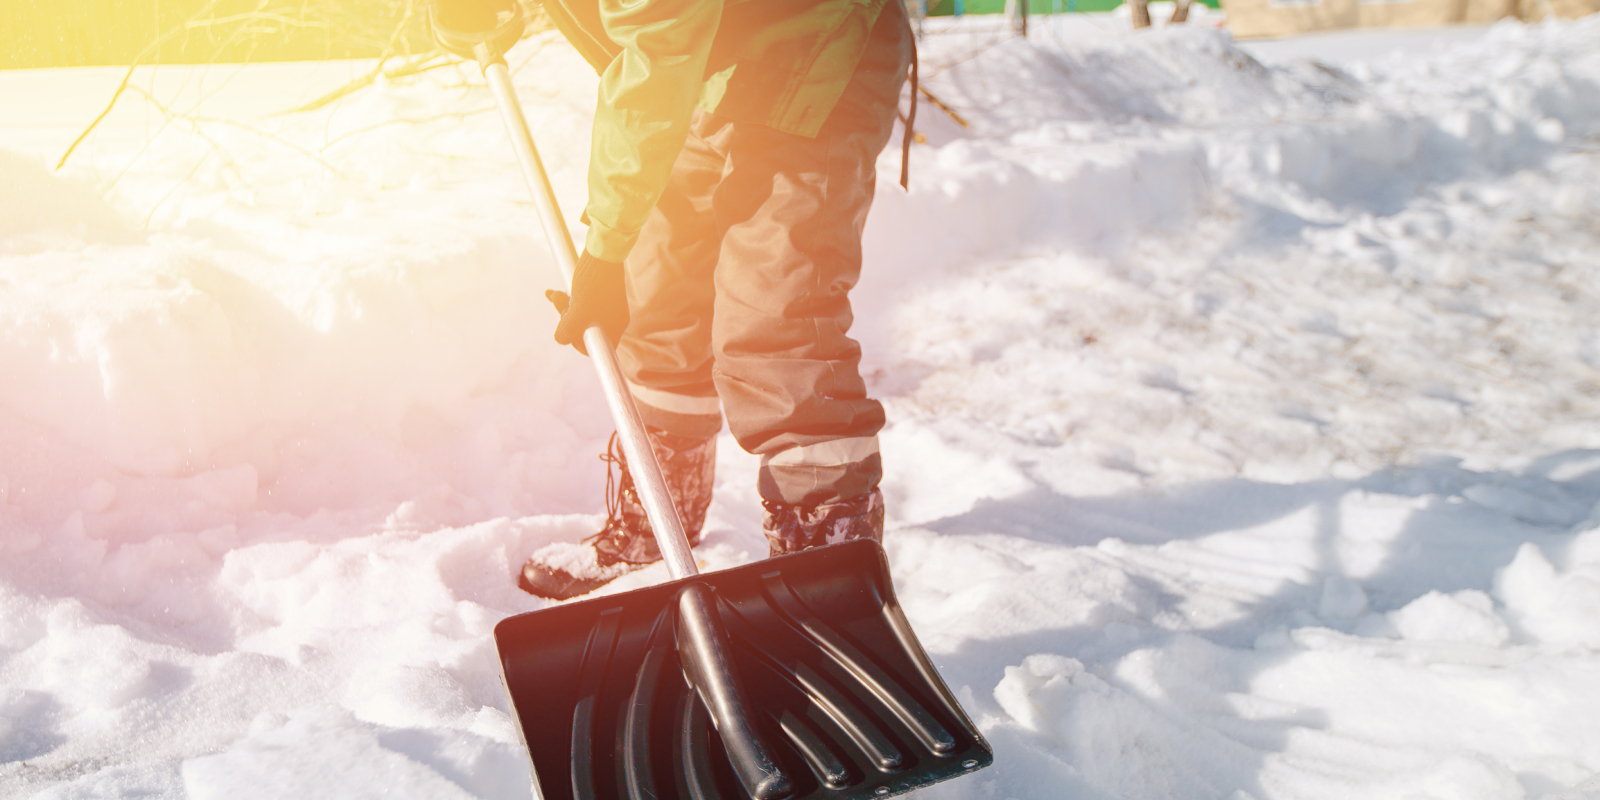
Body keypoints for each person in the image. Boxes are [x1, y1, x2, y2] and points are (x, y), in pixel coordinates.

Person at [431, 0, 915, 600]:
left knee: (774, 315)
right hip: (712, 62)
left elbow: (660, 44)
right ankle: (659, 521)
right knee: (661, 300)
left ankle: (826, 571)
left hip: (815, 49)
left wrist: (605, 250)